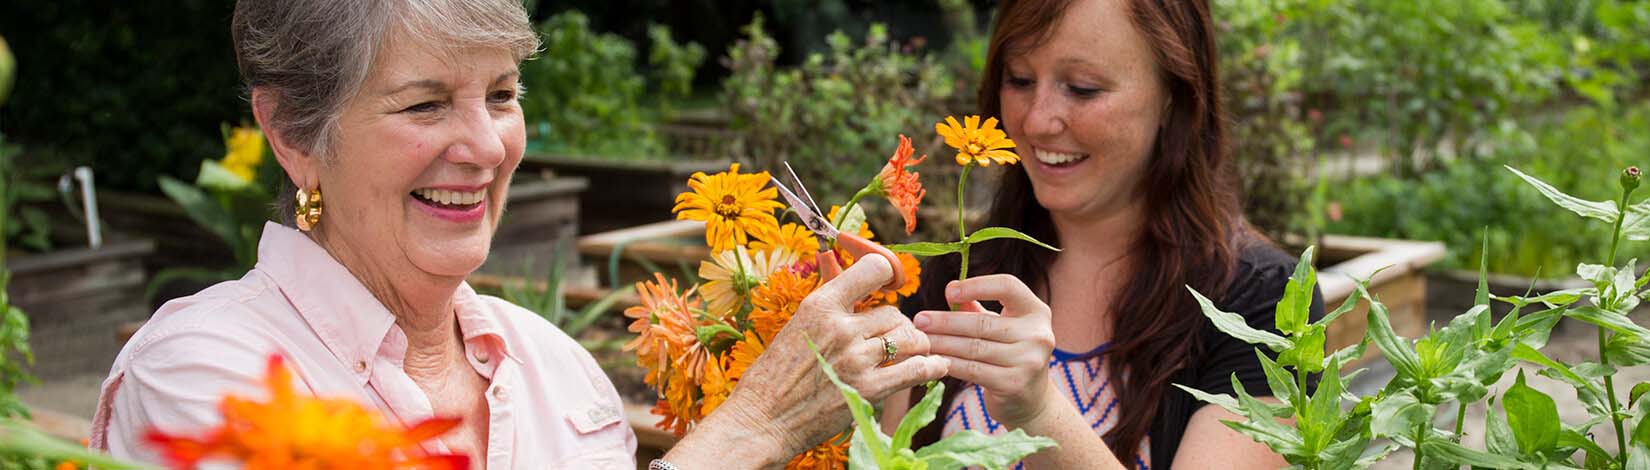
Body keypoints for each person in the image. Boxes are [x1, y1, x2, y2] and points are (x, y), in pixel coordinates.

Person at [89, 1, 945, 468]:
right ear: (292, 134)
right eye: (426, 103)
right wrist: (753, 425)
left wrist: (883, 418)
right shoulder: (201, 372)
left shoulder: (557, 368)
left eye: (501, 95)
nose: (487, 146)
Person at [881, 0, 1325, 468]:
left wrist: (1039, 412)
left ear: (1173, 95)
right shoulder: (954, 274)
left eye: (1082, 88)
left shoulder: (1261, 301)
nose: (1036, 121)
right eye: (1020, 79)